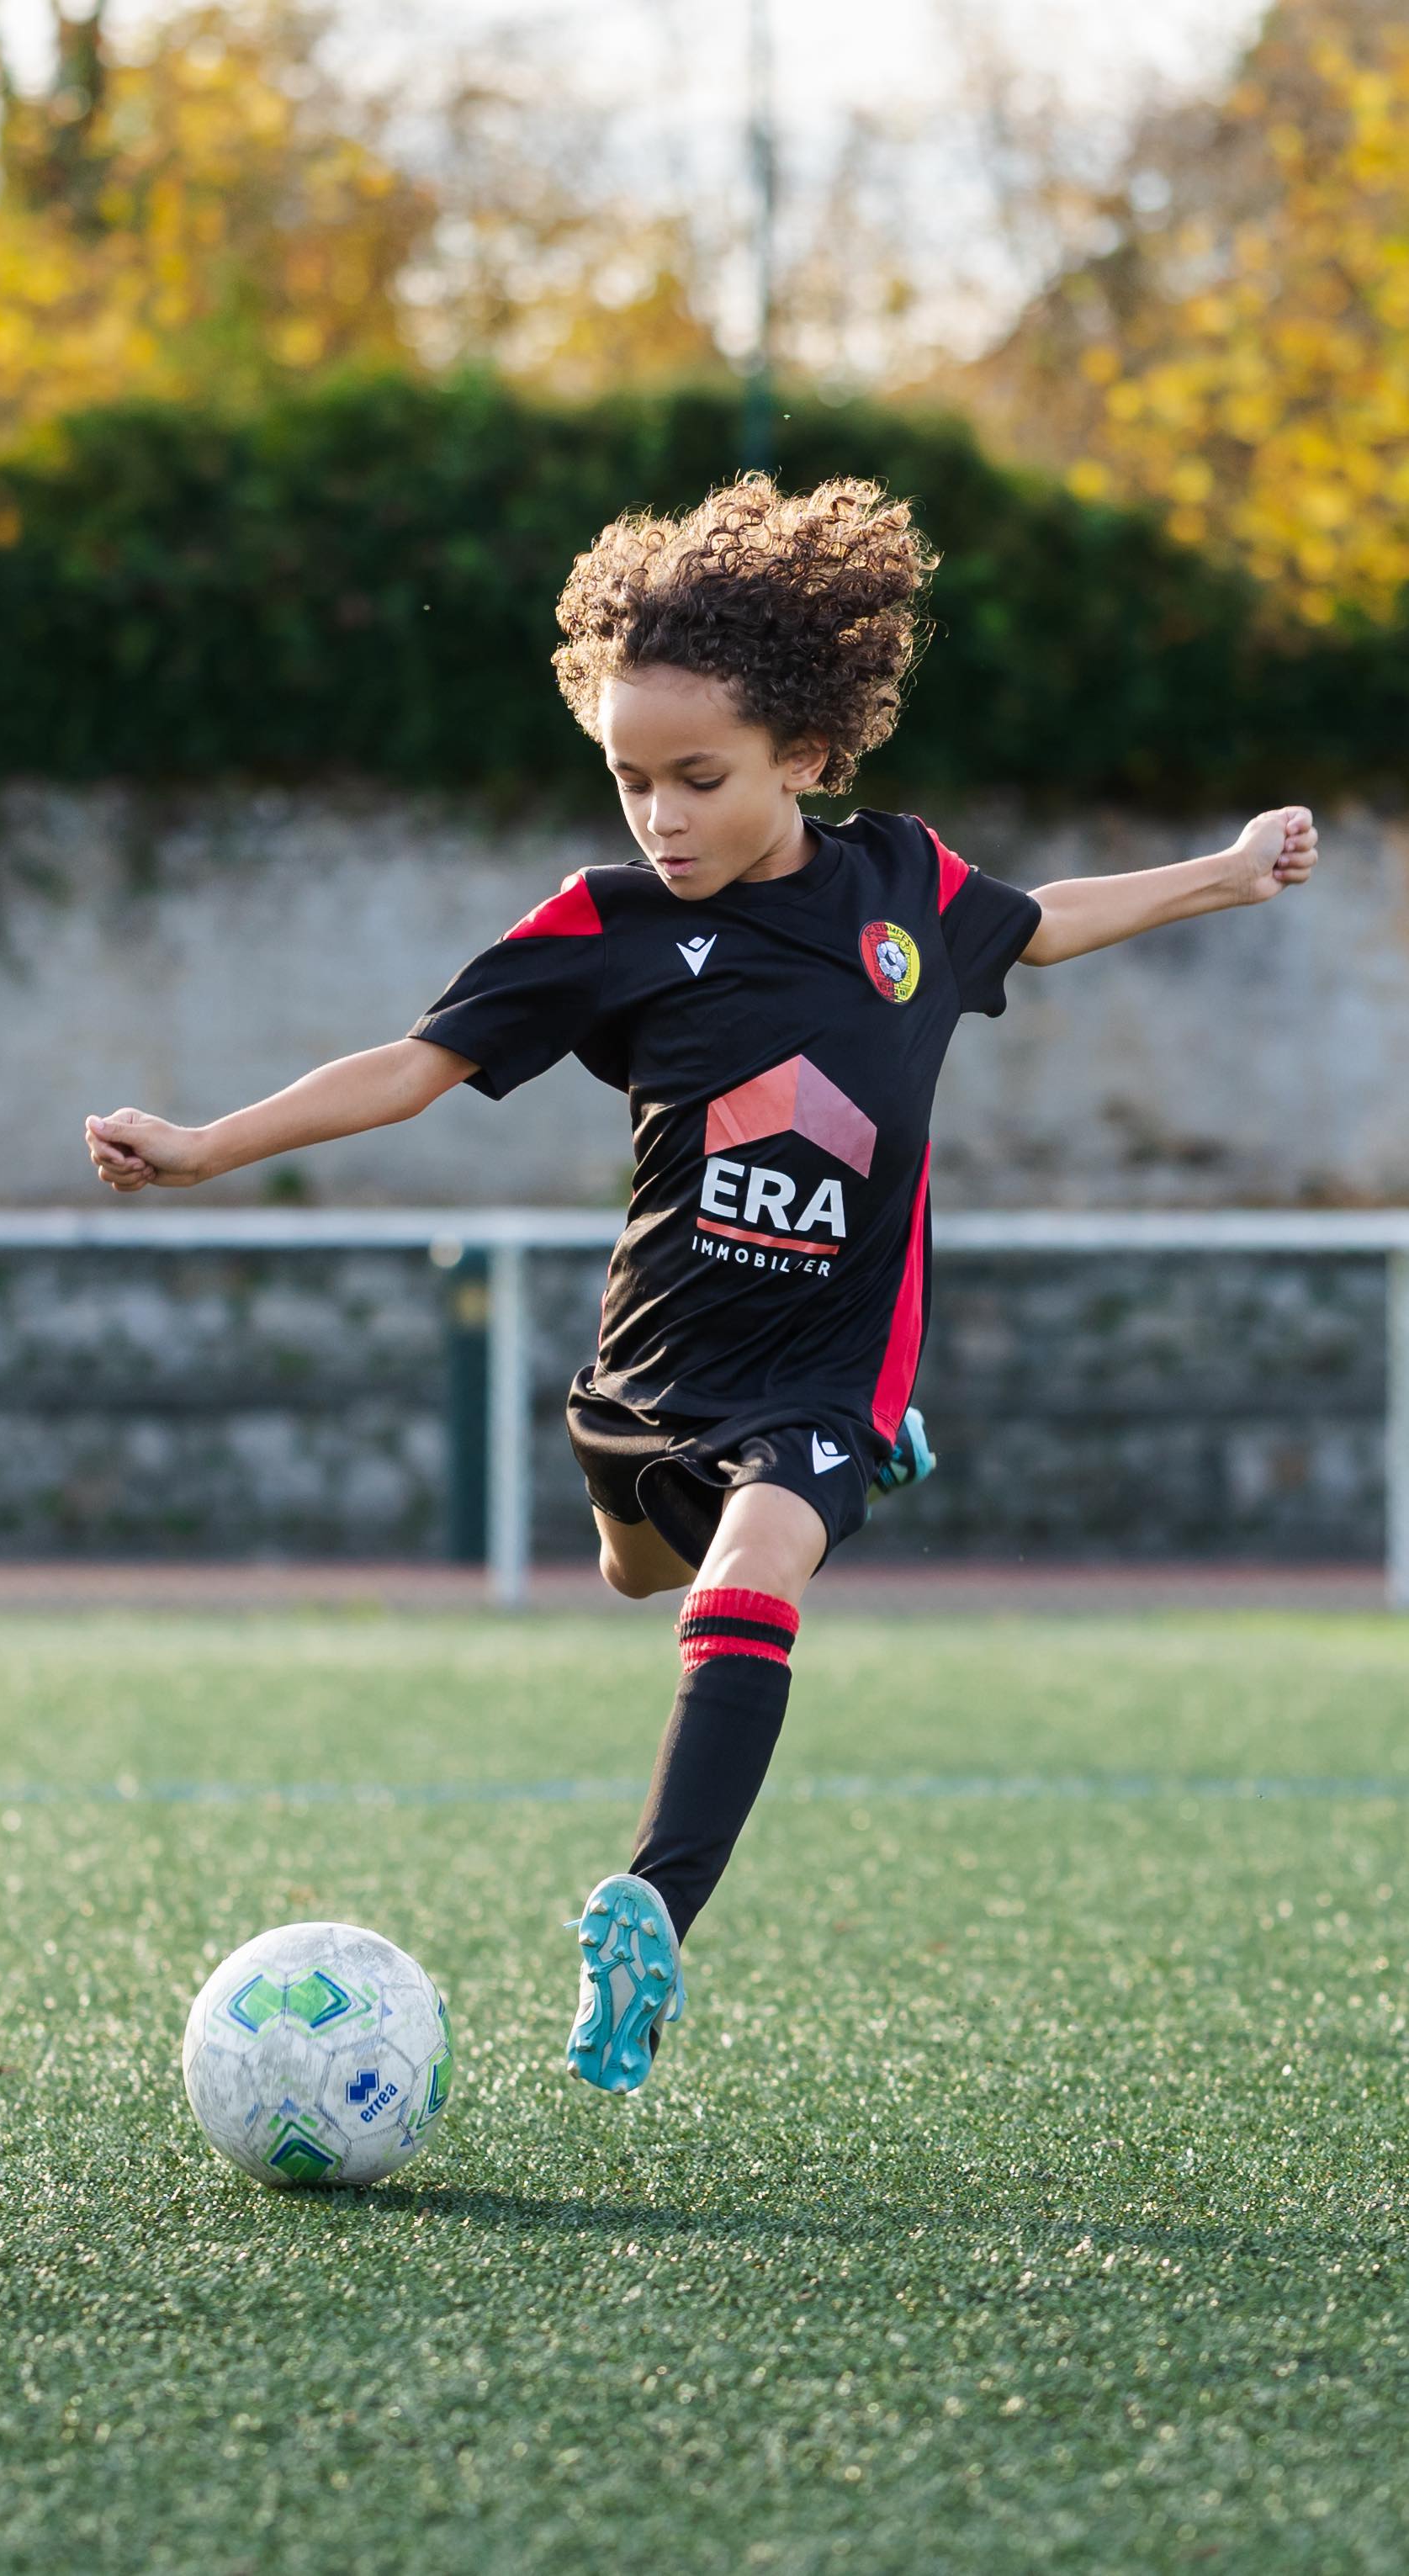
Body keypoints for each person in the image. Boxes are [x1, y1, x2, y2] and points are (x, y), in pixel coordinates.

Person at [85, 474, 1319, 2096]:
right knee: (635, 1570)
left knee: (758, 1554)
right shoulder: (600, 929)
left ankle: (649, 1914)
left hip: (822, 1371)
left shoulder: (904, 891)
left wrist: (1221, 873)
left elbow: (1035, 926)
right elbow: (413, 1065)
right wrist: (203, 1143)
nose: (657, 816)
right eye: (627, 780)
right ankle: (785, 1482)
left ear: (805, 754)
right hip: (650, 1374)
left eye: (695, 778)